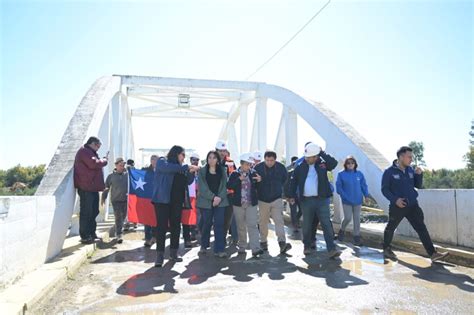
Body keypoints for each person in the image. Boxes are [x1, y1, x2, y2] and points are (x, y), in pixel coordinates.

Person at [381, 146, 449, 262]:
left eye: (411, 157)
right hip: (397, 206)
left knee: (421, 228)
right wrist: (395, 200)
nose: (411, 159)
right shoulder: (389, 172)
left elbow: (418, 185)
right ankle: (386, 248)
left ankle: (432, 254)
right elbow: (384, 189)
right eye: (409, 157)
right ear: (401, 157)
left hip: (412, 205)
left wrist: (419, 175)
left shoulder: (410, 170)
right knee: (391, 227)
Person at [289, 143, 341, 258]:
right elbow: (293, 182)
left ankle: (331, 249)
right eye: (306, 157)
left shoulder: (322, 164)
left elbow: (334, 163)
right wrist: (291, 196)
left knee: (326, 224)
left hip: (322, 200)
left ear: (316, 156)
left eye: (310, 157)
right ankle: (307, 246)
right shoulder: (300, 166)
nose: (307, 159)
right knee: (307, 225)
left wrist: (322, 152)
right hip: (306, 201)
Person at [151, 146, 199, 267]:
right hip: (162, 201)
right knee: (161, 228)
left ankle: (173, 253)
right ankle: (160, 256)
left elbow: (188, 181)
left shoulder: (182, 167)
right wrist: (186, 167)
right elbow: (167, 168)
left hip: (177, 202)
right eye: (183, 155)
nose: (184, 158)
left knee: (176, 227)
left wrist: (191, 173)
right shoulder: (163, 161)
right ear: (176, 153)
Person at [254, 151, 292, 254]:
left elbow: (285, 181)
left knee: (279, 221)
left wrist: (286, 195)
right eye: (267, 160)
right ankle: (263, 242)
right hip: (262, 199)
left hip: (276, 199)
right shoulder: (258, 168)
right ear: (264, 159)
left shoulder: (281, 168)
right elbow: (253, 183)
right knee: (263, 222)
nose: (269, 162)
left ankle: (282, 243)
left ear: (275, 160)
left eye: (271, 160)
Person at [227, 153, 264, 258]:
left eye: (250, 164)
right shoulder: (234, 174)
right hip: (238, 205)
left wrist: (260, 181)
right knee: (241, 226)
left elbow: (258, 187)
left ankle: (255, 248)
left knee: (252, 226)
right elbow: (229, 186)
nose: (249, 166)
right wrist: (239, 179)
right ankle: (242, 246)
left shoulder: (253, 173)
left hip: (251, 204)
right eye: (247, 164)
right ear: (241, 164)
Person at [73, 136, 108, 244]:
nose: (98, 148)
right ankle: (85, 236)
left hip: (92, 187)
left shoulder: (90, 152)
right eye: (98, 145)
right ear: (92, 143)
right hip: (86, 187)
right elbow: (94, 164)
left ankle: (91, 234)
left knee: (94, 211)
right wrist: (104, 160)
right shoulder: (84, 151)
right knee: (86, 212)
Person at [197, 150, 230, 258]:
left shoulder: (223, 170)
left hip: (221, 201)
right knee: (207, 223)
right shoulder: (202, 171)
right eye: (209, 157)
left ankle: (219, 249)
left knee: (219, 224)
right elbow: (201, 187)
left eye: (214, 158)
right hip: (206, 201)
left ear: (217, 159)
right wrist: (213, 197)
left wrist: (219, 197)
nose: (211, 160)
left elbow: (225, 185)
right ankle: (204, 244)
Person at [335, 156, 369, 246]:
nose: (350, 165)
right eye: (348, 163)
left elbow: (364, 185)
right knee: (348, 218)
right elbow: (339, 187)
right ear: (345, 164)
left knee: (357, 219)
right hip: (346, 200)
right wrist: (344, 196)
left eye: (352, 163)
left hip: (358, 200)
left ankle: (356, 237)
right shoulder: (341, 174)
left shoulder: (359, 174)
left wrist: (366, 195)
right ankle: (342, 230)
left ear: (355, 164)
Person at [215, 140, 238, 245]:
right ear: (216, 150)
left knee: (227, 220)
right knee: (216, 220)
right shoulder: (211, 161)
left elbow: (236, 176)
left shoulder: (231, 162)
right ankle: (217, 240)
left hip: (229, 195)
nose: (222, 153)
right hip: (215, 196)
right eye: (220, 150)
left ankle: (222, 240)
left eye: (224, 151)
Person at [102, 158, 128, 244]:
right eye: (120, 165)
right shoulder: (111, 176)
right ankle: (119, 234)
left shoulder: (128, 175)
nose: (122, 167)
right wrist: (103, 198)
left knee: (123, 216)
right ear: (116, 165)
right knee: (118, 217)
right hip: (115, 200)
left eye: (123, 165)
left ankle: (118, 228)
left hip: (126, 200)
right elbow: (106, 188)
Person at [182, 152, 200, 248]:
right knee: (187, 218)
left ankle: (194, 234)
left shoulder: (200, 171)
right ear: (190, 160)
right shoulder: (186, 171)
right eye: (194, 160)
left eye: (197, 160)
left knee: (197, 217)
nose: (195, 162)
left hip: (199, 197)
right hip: (188, 197)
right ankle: (187, 238)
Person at [143, 155, 158, 247]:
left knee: (156, 218)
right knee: (147, 219)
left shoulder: (161, 171)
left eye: (156, 160)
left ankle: (154, 236)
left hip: (157, 198)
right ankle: (147, 238)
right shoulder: (145, 170)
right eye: (153, 160)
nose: (154, 161)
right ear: (151, 161)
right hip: (147, 198)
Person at [285, 156, 302, 234]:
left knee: (302, 210)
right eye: (294, 162)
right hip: (291, 195)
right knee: (293, 210)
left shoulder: (301, 170)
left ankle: (296, 220)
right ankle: (295, 226)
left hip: (300, 194)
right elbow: (285, 185)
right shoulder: (288, 171)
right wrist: (287, 196)